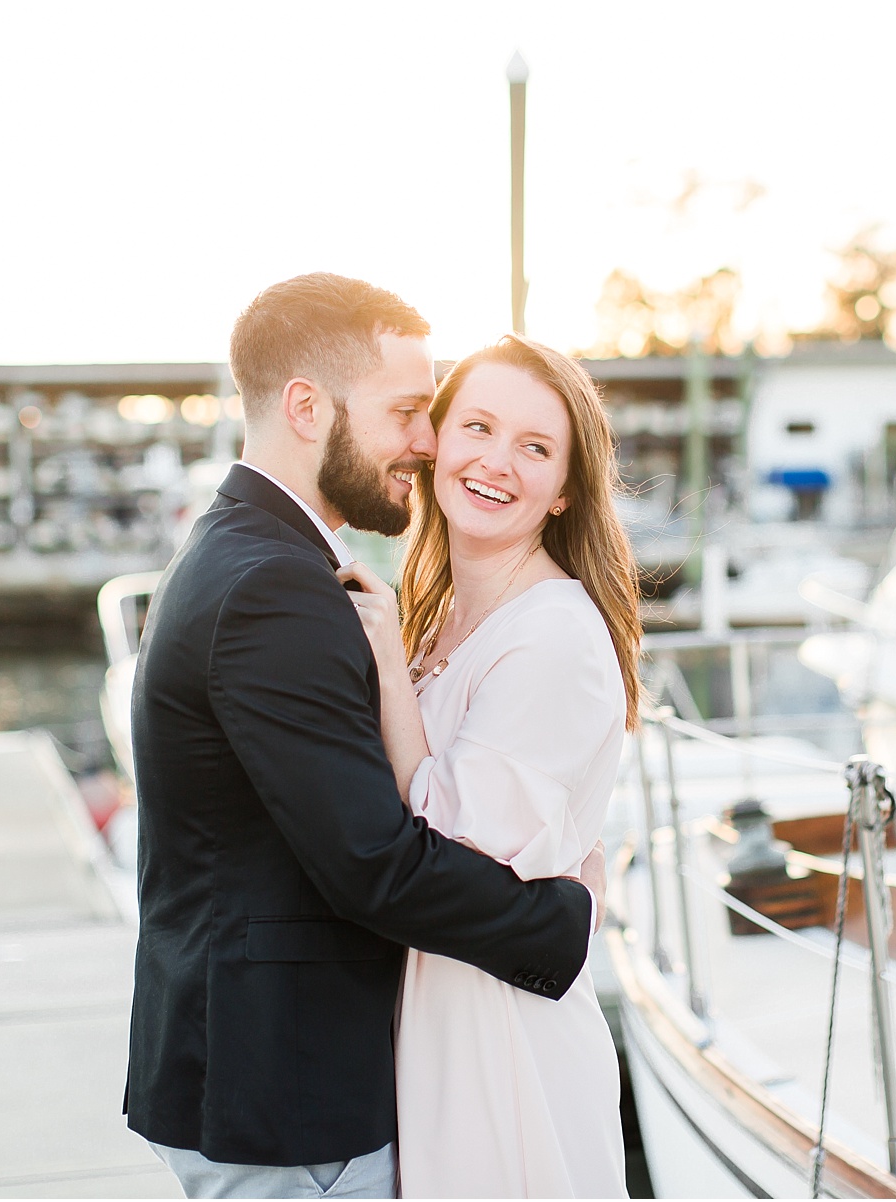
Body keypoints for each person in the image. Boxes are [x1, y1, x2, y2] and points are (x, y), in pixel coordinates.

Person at [124, 274, 604, 1200]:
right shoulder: (275, 583)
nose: (424, 444)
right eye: (410, 413)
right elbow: (373, 863)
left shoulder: (257, 555)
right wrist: (564, 922)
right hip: (285, 1093)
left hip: (277, 1074)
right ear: (307, 408)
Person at [340, 335, 642, 1197]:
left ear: (565, 491)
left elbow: (445, 850)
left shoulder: (552, 636)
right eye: (477, 426)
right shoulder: (441, 613)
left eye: (535, 448)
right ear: (436, 441)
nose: (496, 462)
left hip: (505, 1045)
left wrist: (391, 672)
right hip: (436, 1022)